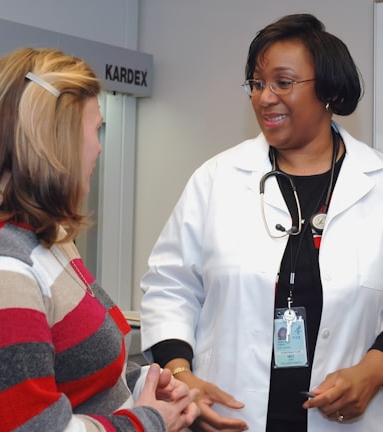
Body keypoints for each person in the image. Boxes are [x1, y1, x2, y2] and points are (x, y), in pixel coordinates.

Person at [140, 13, 383, 432]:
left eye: (282, 83)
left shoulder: (376, 184)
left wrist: (374, 371)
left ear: (328, 89)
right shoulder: (216, 179)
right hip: (228, 416)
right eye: (256, 83)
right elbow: (169, 288)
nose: (264, 97)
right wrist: (182, 378)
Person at [0, 47, 200, 432]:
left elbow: (79, 370)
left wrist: (143, 383)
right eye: (95, 128)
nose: (99, 146)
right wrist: (149, 420)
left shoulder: (48, 239)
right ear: (58, 138)